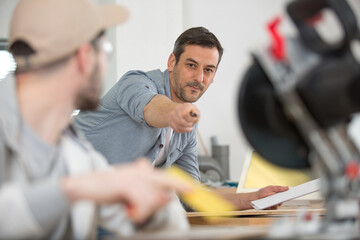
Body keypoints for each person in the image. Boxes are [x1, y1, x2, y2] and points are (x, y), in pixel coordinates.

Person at [0, 0, 193, 239]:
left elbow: (163, 228)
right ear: (85, 57)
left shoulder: (77, 152)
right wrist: (73, 190)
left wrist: (154, 204)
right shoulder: (83, 176)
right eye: (106, 50)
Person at [75, 26, 288, 210]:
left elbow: (192, 197)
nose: (199, 78)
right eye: (191, 65)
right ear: (171, 62)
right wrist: (175, 114)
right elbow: (150, 107)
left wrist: (254, 199)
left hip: (110, 212)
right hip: (70, 198)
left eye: (208, 70)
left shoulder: (187, 127)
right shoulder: (136, 83)